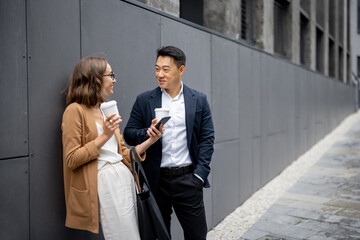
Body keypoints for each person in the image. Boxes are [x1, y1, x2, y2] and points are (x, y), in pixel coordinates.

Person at [61, 57, 164, 239]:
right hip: (105, 181)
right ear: (95, 78)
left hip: (125, 178)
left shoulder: (105, 109)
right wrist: (104, 136)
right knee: (123, 236)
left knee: (133, 233)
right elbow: (72, 159)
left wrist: (151, 140)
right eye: (111, 75)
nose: (115, 79)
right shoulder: (74, 111)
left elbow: (123, 153)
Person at [124, 46, 215, 240]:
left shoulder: (198, 100)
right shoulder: (144, 100)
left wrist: (200, 175)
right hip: (157, 181)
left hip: (188, 179)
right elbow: (129, 134)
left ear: (181, 70)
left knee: (197, 236)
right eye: (157, 69)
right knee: (158, 235)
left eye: (166, 69)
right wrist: (147, 133)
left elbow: (207, 138)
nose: (160, 74)